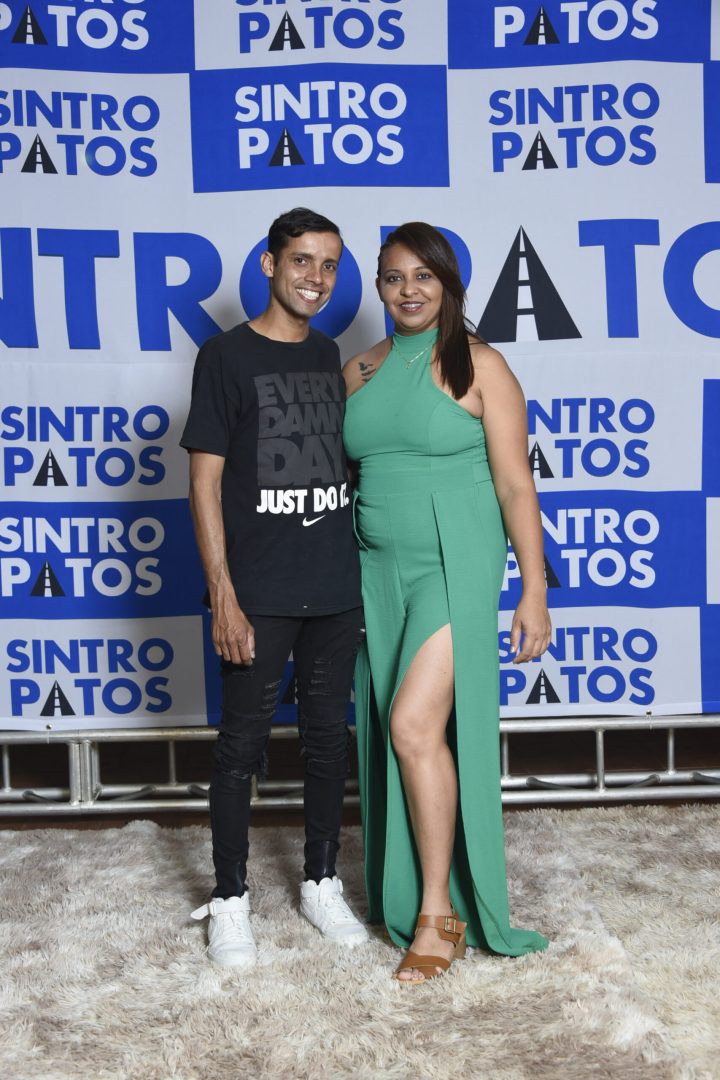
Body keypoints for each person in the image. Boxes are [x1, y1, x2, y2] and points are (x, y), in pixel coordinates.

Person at [342, 222, 551, 984]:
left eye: (423, 276)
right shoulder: (358, 369)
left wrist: (533, 588)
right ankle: (416, 893)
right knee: (393, 728)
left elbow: (515, 485)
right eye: (395, 277)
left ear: (448, 284)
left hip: (452, 560)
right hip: (375, 567)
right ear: (378, 285)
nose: (409, 290)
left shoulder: (481, 363)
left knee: (412, 725)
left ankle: (439, 914)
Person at [181, 207, 368, 968]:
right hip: (257, 590)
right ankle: (230, 899)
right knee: (241, 748)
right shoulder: (224, 356)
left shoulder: (330, 354)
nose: (315, 278)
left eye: (329, 264)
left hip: (334, 585)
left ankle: (321, 882)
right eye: (301, 261)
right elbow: (204, 482)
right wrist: (223, 594)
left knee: (328, 741)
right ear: (269, 263)